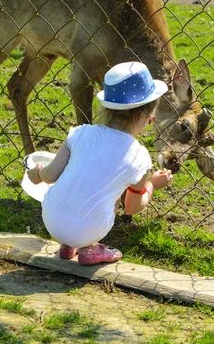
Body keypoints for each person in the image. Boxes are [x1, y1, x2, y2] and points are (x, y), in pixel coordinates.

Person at [27, 61, 173, 265]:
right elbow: (132, 207)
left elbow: (50, 175)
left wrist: (35, 173)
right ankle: (90, 248)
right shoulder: (139, 157)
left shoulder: (80, 133)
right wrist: (153, 185)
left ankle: (68, 246)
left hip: (51, 221)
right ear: (142, 116)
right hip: (91, 230)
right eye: (151, 118)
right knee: (113, 198)